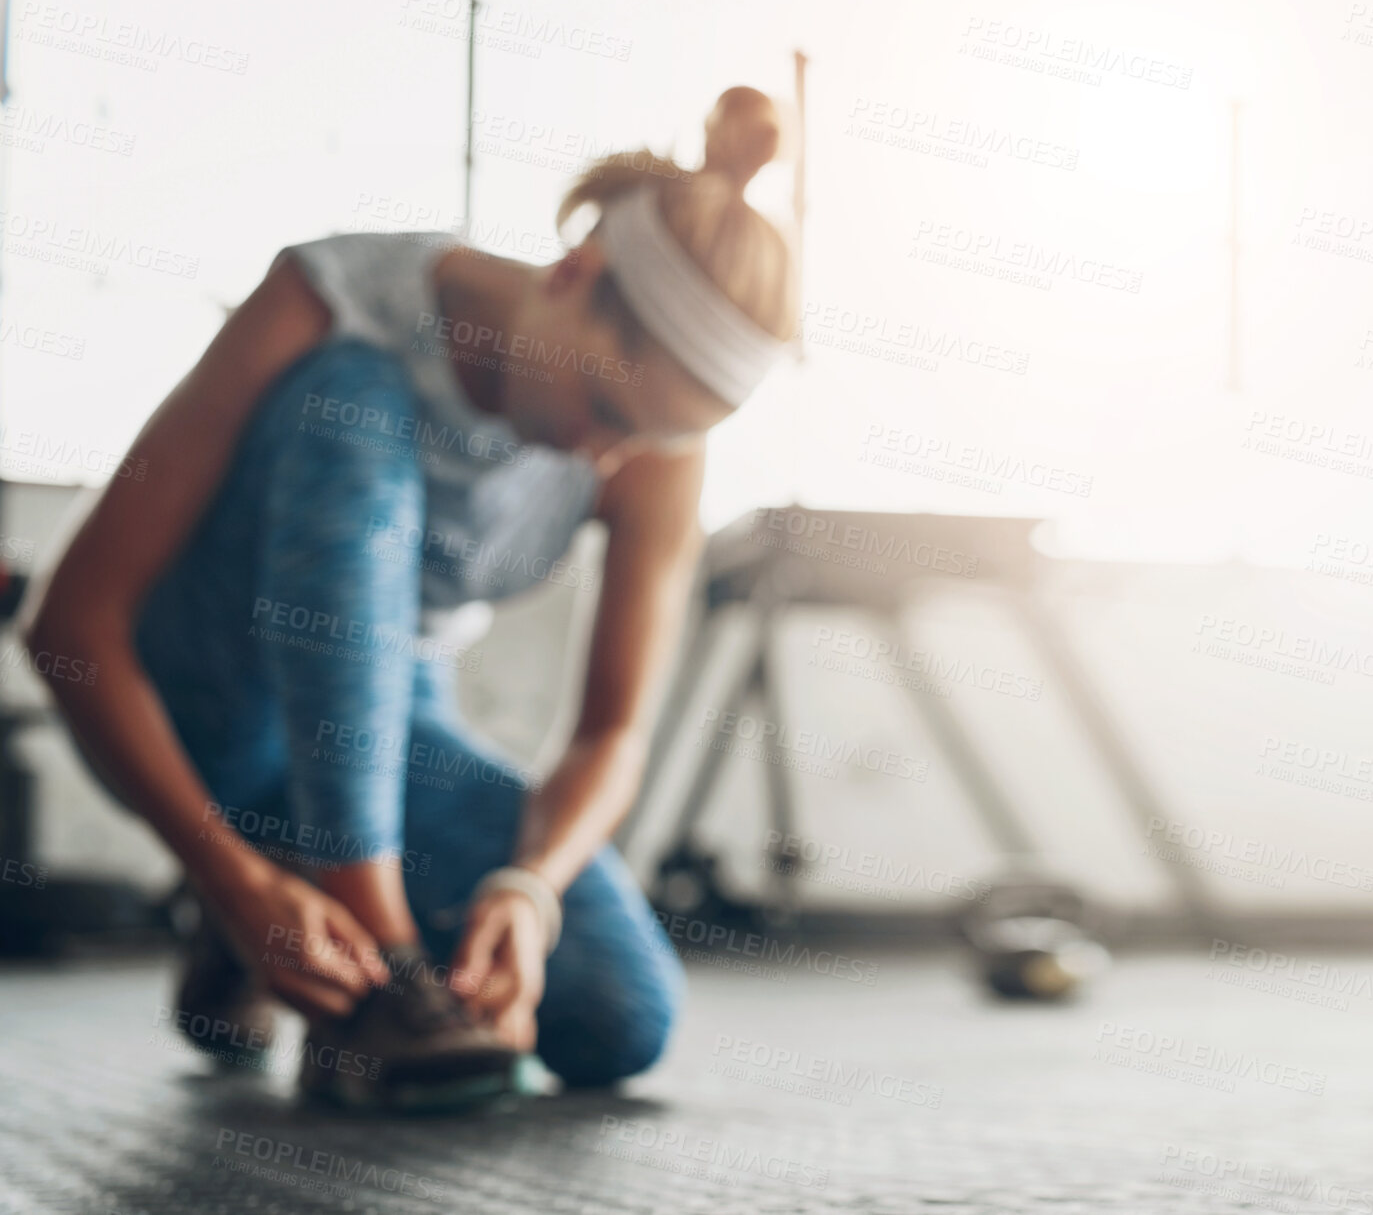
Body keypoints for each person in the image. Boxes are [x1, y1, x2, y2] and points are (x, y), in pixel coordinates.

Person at [19, 86, 798, 1107]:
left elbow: (613, 733)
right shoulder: (331, 294)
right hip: (205, 697)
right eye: (606, 406)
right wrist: (226, 875)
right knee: (355, 397)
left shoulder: (649, 438)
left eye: (646, 438)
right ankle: (368, 953)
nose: (608, 456)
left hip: (396, 733)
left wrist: (533, 887)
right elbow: (72, 627)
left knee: (619, 1014)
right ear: (573, 273)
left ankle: (297, 923)